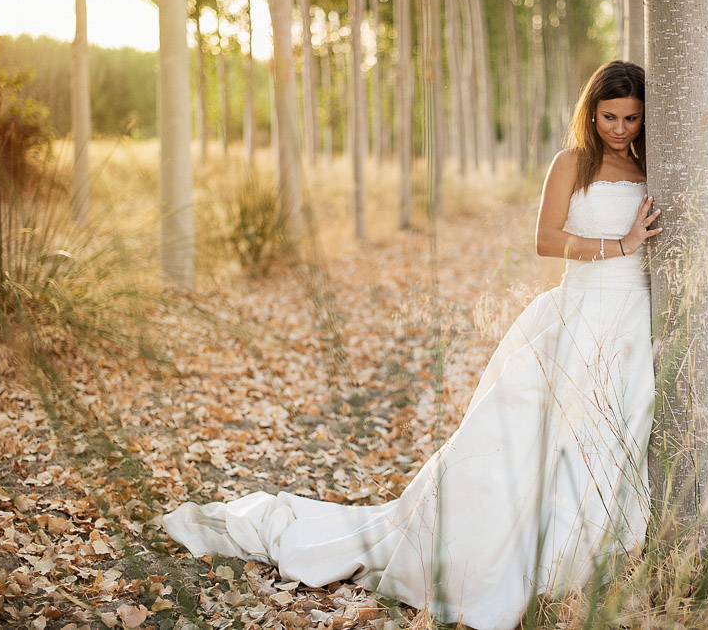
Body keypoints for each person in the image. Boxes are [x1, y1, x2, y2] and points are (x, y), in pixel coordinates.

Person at [162, 60, 660, 630]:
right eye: (608, 116)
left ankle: (584, 558)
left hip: (631, 321)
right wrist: (619, 244)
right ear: (590, 112)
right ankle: (503, 559)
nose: (619, 129)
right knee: (533, 441)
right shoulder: (572, 163)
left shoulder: (652, 166)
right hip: (579, 313)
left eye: (631, 118)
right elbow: (546, 241)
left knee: (608, 440)